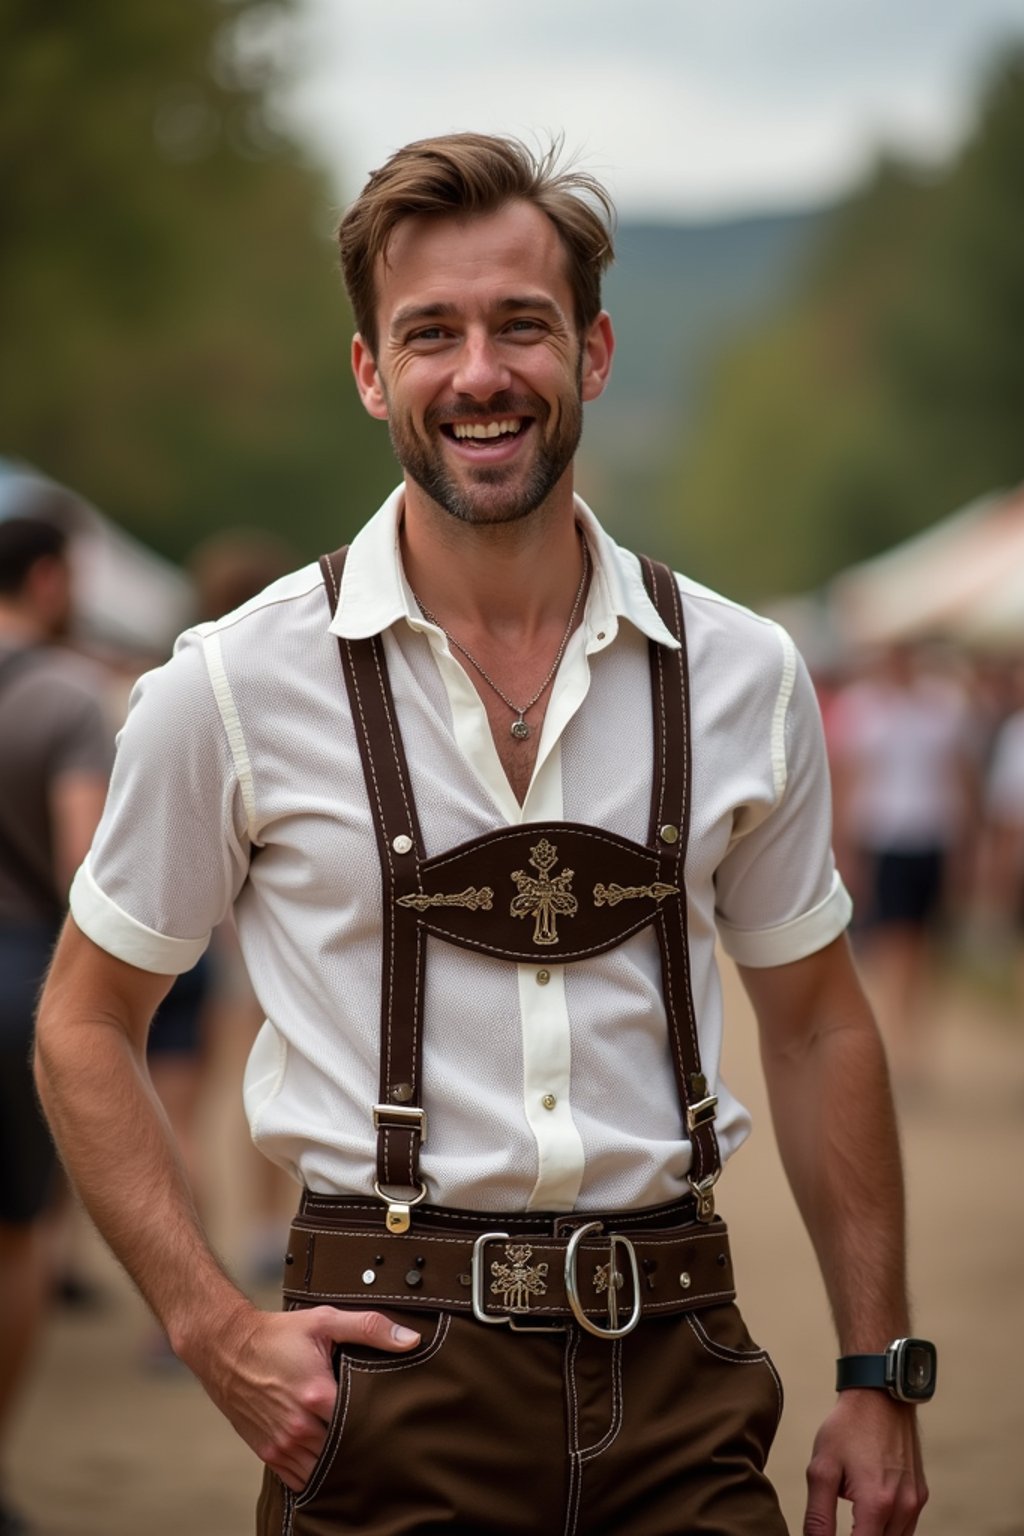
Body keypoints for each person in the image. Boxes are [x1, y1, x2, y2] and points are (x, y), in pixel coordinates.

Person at [34, 135, 931, 1536]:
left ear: (596, 351)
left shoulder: (745, 674)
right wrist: (211, 1329)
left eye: (523, 323)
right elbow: (85, 1024)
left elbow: (819, 1024)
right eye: (429, 333)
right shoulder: (230, 683)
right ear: (370, 374)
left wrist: (881, 1370)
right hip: (387, 1380)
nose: (480, 373)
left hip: (684, 1368)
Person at [0, 515, 112, 1536]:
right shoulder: (68, 695)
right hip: (17, 975)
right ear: (44, 578)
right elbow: (84, 870)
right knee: (17, 1232)